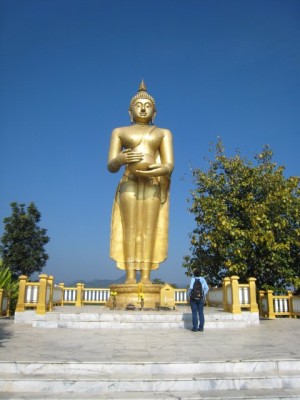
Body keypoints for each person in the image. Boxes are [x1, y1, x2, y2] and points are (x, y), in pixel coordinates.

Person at [107, 81, 174, 284]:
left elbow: (169, 164)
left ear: (155, 112)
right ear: (130, 111)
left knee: (148, 228)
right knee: (130, 228)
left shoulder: (163, 133)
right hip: (129, 181)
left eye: (148, 105)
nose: (143, 108)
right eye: (139, 105)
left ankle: (145, 276)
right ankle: (129, 276)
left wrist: (161, 168)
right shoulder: (119, 132)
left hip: (152, 183)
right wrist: (120, 159)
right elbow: (110, 165)